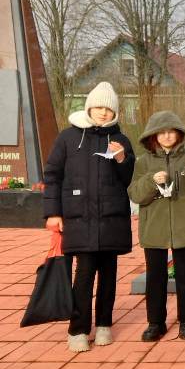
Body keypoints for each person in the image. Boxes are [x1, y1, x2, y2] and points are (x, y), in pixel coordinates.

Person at [43, 82, 134, 352]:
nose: (104, 113)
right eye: (99, 107)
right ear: (89, 107)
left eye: (109, 108)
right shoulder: (68, 138)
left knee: (108, 276)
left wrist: (121, 160)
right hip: (79, 220)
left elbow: (127, 179)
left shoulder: (121, 140)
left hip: (111, 220)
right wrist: (53, 212)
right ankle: (78, 329)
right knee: (83, 276)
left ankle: (105, 325)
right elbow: (52, 175)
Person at [128, 111, 185, 341]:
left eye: (171, 132)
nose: (167, 136)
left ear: (179, 134)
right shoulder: (143, 161)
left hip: (183, 226)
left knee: (184, 277)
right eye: (162, 132)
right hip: (154, 228)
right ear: (153, 135)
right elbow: (136, 194)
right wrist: (151, 181)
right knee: (155, 278)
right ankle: (155, 322)